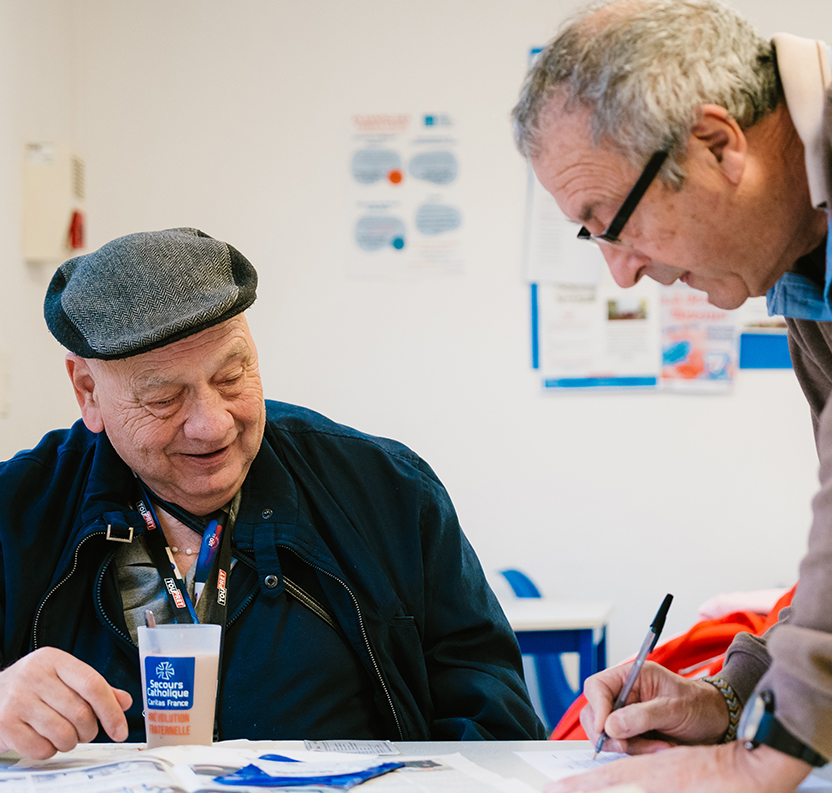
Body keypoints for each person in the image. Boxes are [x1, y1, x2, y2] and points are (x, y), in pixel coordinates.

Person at [512, 0, 832, 793]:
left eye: (613, 221)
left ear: (717, 142)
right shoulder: (806, 267)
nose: (622, 271)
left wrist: (766, 758)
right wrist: (728, 693)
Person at [0, 227, 543, 758]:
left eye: (232, 376)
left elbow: (498, 721)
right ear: (87, 391)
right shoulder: (14, 511)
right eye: (164, 398)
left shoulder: (388, 489)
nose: (212, 425)